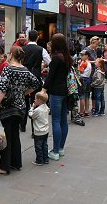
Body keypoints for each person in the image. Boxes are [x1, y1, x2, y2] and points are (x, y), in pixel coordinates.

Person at [0, 46, 41, 174]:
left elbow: (2, 89)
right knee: (14, 136)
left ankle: (4, 166)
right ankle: (16, 163)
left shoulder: (8, 69)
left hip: (7, 107)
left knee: (5, 137)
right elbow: (36, 83)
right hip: (20, 108)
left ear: (11, 55)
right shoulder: (24, 70)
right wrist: (24, 92)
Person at [41, 33, 73, 161]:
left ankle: (55, 151)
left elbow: (50, 77)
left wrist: (44, 90)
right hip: (65, 91)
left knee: (55, 121)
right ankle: (60, 148)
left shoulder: (56, 58)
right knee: (63, 121)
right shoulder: (66, 57)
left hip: (56, 92)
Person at [21, 30, 51, 133]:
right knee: (35, 101)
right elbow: (49, 62)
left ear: (28, 37)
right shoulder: (41, 49)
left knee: (23, 101)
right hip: (36, 76)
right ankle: (34, 129)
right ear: (37, 38)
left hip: (24, 77)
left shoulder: (23, 49)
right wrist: (44, 67)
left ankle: (22, 125)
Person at [28, 91, 50, 166]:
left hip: (38, 131)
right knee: (45, 145)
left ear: (39, 100)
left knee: (38, 146)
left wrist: (32, 108)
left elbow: (31, 115)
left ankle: (39, 160)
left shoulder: (38, 110)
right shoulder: (46, 107)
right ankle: (46, 158)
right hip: (45, 130)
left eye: (35, 99)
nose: (34, 101)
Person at [85, 36, 100, 115]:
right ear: (92, 42)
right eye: (96, 44)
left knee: (94, 91)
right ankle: (86, 108)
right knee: (87, 91)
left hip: (94, 72)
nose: (97, 46)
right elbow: (84, 60)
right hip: (88, 73)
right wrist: (95, 62)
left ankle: (93, 107)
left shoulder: (94, 50)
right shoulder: (86, 50)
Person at [78, 50, 92, 117]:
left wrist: (78, 65)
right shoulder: (88, 63)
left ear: (87, 56)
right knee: (87, 96)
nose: (81, 56)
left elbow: (80, 71)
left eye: (82, 55)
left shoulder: (84, 63)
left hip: (83, 79)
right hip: (88, 79)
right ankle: (86, 111)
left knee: (82, 96)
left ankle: (81, 112)